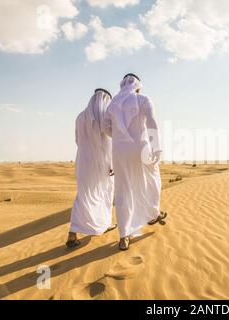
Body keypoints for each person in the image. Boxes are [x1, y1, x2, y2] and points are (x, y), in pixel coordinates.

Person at [103, 74, 167, 251]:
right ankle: (153, 213)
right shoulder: (144, 99)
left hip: (119, 151)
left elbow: (105, 127)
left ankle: (124, 236)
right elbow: (152, 123)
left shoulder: (113, 103)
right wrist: (157, 148)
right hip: (141, 148)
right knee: (151, 180)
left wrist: (119, 137)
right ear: (137, 85)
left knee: (123, 190)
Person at [66, 88, 117, 248]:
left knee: (83, 196)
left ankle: (72, 234)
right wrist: (112, 164)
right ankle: (104, 224)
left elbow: (77, 140)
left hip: (83, 162)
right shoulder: (105, 118)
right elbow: (109, 144)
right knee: (105, 192)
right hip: (101, 163)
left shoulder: (80, 117)